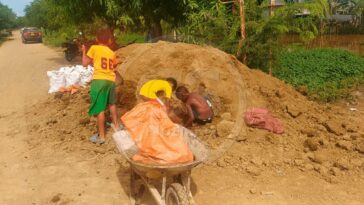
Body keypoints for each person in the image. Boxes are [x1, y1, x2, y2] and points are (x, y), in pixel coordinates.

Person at [82, 28, 120, 144]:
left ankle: (102, 137)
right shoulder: (111, 52)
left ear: (97, 39)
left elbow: (84, 63)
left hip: (99, 81)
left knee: (100, 109)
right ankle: (117, 127)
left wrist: (83, 51)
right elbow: (113, 67)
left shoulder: (94, 48)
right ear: (109, 40)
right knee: (112, 104)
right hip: (111, 80)